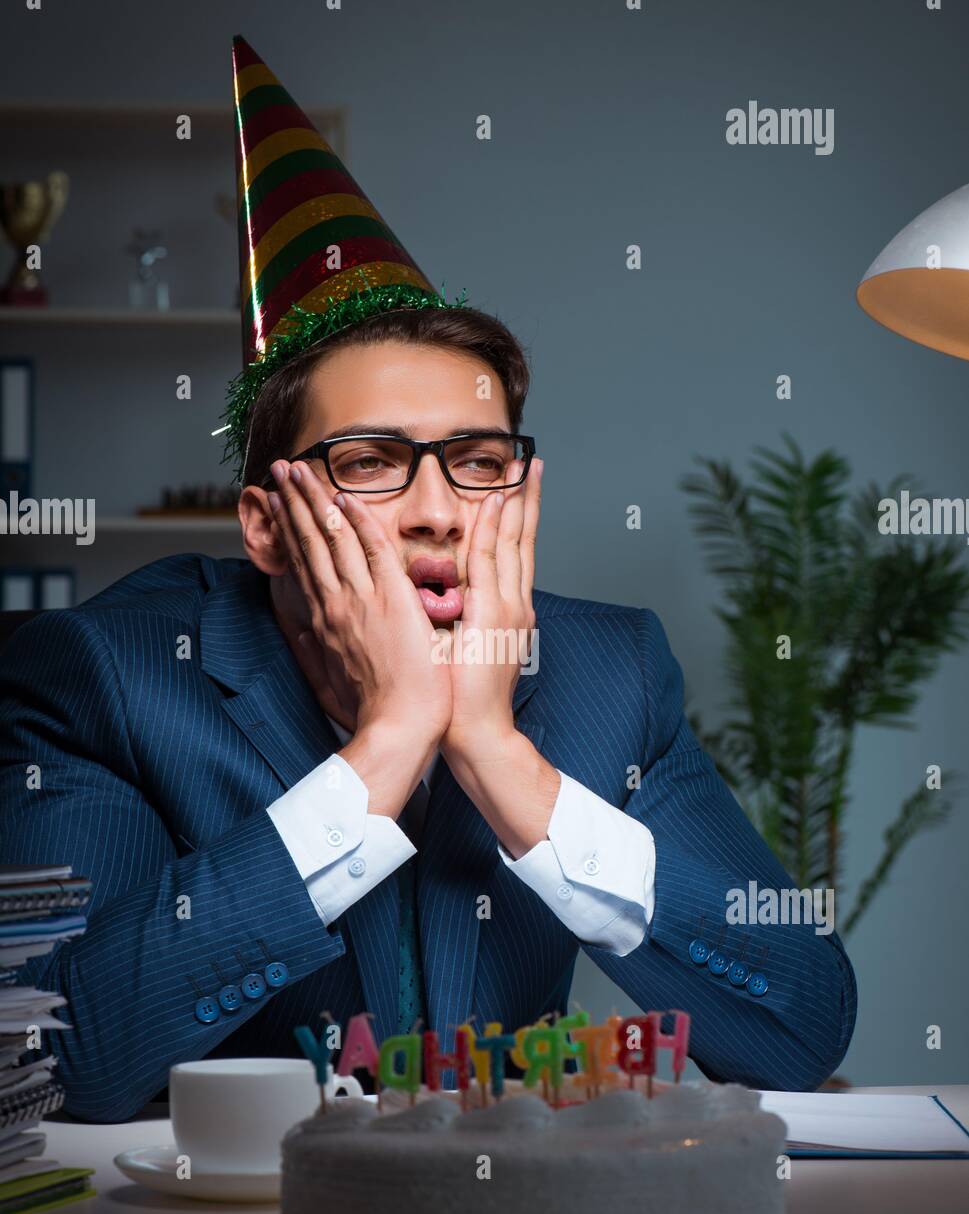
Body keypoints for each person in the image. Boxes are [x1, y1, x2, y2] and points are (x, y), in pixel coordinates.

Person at [0, 38, 856, 1122]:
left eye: (479, 462)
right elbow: (53, 1068)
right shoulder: (110, 680)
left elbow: (803, 1023)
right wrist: (384, 749)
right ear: (266, 524)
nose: (441, 509)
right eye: (368, 462)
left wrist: (504, 759)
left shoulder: (609, 673)